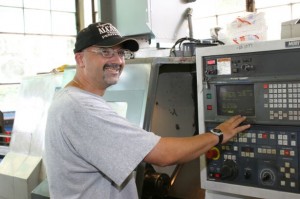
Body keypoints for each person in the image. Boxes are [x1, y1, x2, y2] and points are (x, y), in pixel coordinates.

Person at [44, 22, 251, 199]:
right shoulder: (82, 107)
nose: (117, 60)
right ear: (80, 59)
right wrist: (218, 134)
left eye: (120, 52)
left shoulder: (72, 99)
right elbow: (163, 155)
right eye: (105, 52)